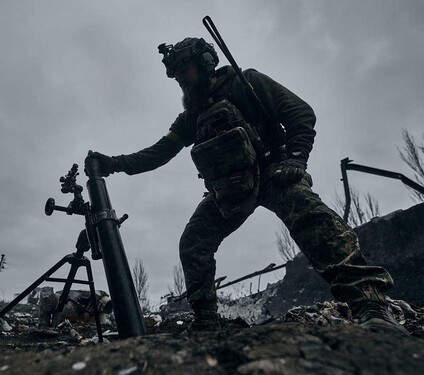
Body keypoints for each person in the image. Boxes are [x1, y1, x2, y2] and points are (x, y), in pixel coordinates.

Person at [86, 37, 407, 334]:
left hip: (273, 171)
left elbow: (299, 113)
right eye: (177, 75)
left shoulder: (245, 82)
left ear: (206, 62)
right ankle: (206, 322)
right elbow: (158, 153)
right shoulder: (191, 117)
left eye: (185, 69)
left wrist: (296, 159)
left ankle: (370, 303)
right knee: (194, 242)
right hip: (229, 189)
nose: (182, 79)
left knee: (313, 219)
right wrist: (112, 163)